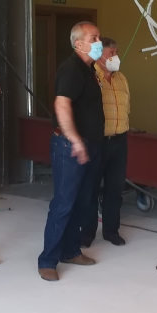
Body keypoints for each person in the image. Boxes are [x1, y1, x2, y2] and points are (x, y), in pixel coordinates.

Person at [38, 21, 104, 282]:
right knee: (64, 203)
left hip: (88, 145)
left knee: (81, 201)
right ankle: (48, 260)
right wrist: (75, 140)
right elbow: (62, 105)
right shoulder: (71, 69)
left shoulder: (89, 69)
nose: (99, 41)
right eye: (94, 37)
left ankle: (71, 250)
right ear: (79, 43)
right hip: (70, 146)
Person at [80, 37, 129, 247]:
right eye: (111, 53)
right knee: (90, 187)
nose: (115, 57)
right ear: (100, 57)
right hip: (98, 140)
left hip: (119, 140)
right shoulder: (91, 77)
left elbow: (126, 106)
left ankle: (111, 230)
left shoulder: (121, 79)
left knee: (115, 188)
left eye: (116, 53)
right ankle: (87, 232)